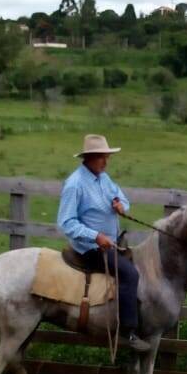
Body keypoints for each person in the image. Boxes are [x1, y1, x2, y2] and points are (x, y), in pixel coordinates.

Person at [56, 134, 151, 352]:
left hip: (112, 242)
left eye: (107, 157)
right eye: (101, 157)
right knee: (130, 274)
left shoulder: (104, 178)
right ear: (89, 158)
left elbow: (121, 198)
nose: (106, 162)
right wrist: (94, 236)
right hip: (91, 248)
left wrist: (120, 205)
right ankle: (128, 333)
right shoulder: (75, 184)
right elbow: (66, 222)